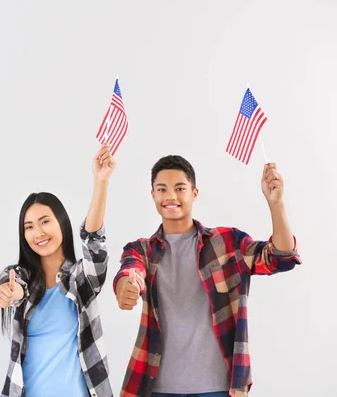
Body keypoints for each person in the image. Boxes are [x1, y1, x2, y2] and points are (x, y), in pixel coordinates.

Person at [114, 155, 302, 397]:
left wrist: (276, 203)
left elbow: (281, 257)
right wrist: (127, 286)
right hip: (157, 388)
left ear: (194, 193)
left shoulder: (227, 243)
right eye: (162, 189)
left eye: (179, 188)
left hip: (218, 388)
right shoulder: (141, 250)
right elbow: (130, 270)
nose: (170, 196)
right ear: (153, 196)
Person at [0, 144, 116, 397]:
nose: (37, 233)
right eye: (28, 227)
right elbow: (14, 283)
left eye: (45, 222)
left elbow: (94, 241)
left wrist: (100, 182)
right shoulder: (21, 276)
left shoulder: (80, 280)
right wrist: (12, 292)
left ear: (61, 222)